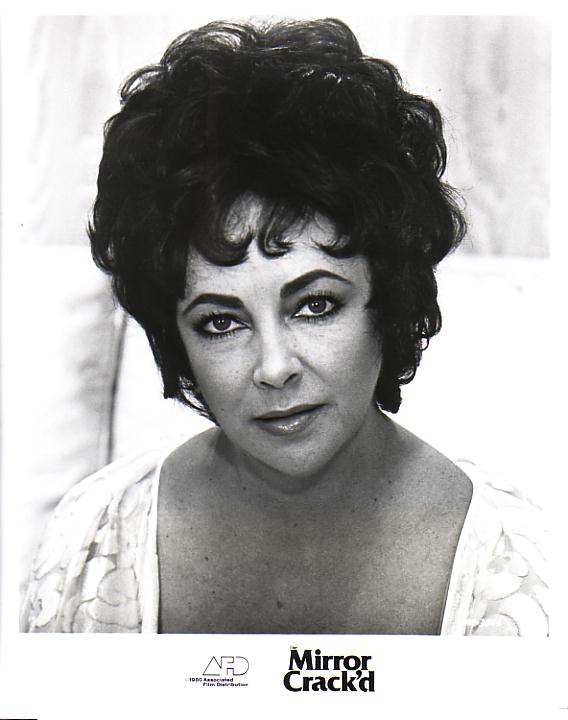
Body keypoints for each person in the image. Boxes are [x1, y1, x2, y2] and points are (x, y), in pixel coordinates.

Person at [22, 18, 548, 635]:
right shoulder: (91, 540)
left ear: (389, 300)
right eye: (221, 322)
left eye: (315, 305)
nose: (273, 368)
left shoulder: (526, 572)